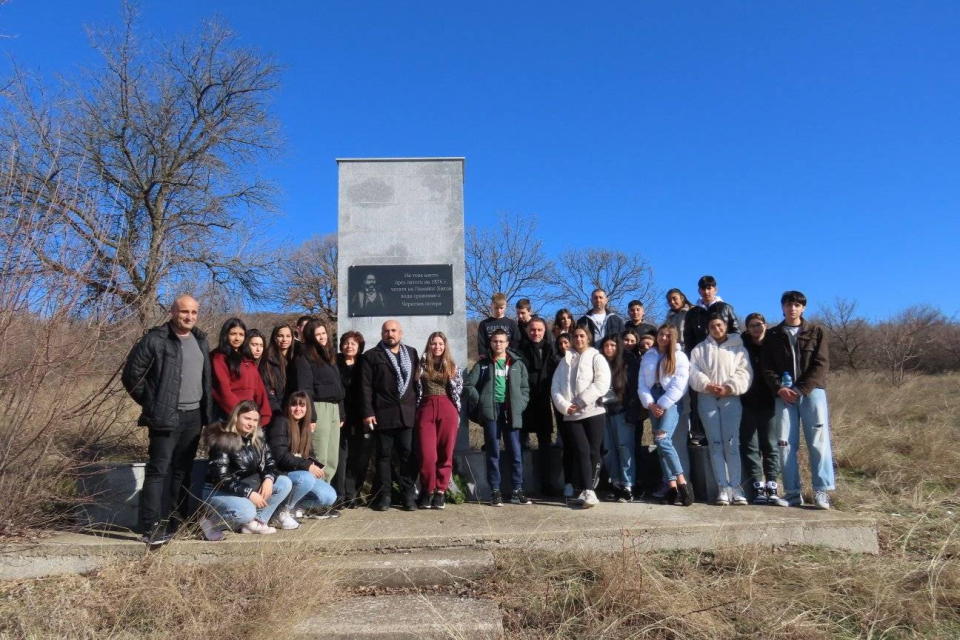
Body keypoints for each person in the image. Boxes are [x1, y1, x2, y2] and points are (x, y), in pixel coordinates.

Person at [122, 294, 213, 546]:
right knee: (158, 471)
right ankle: (151, 527)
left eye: (194, 312)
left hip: (194, 417)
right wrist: (153, 404)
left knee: (182, 472)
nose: (189, 317)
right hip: (165, 417)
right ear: (173, 312)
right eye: (185, 312)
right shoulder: (156, 340)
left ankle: (177, 521)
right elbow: (131, 376)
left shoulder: (201, 340)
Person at [761, 291, 835, 509]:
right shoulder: (773, 335)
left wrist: (801, 389)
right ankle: (793, 493)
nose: (792, 308)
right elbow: (767, 367)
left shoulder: (816, 331)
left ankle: (822, 491)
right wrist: (780, 389)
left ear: (803, 308)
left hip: (812, 393)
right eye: (788, 304)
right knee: (784, 444)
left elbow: (821, 364)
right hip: (783, 396)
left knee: (818, 442)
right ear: (782, 307)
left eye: (797, 305)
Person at [201, 401, 292, 537]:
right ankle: (210, 521)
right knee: (246, 511)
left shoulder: (258, 438)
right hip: (218, 491)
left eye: (255, 420)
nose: (251, 423)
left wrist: (268, 478)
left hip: (243, 486)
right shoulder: (223, 439)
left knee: (284, 483)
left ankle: (256, 523)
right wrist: (249, 492)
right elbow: (220, 478)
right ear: (236, 417)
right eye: (247, 418)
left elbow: (270, 463)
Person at [688, 314, 753, 506]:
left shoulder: (738, 348)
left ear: (725, 326)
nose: (716, 329)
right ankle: (722, 487)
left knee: (731, 443)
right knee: (715, 443)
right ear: (708, 329)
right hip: (707, 398)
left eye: (719, 325)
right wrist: (707, 385)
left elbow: (744, 372)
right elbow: (693, 371)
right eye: (712, 326)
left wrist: (729, 387)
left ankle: (736, 487)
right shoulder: (700, 349)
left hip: (730, 398)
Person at [465, 328, 531, 506]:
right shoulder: (483, 363)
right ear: (491, 343)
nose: (498, 344)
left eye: (501, 341)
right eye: (495, 341)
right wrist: (481, 402)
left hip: (511, 411)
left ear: (507, 343)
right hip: (491, 411)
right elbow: (469, 384)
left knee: (515, 452)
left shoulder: (517, 364)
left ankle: (517, 490)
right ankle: (495, 490)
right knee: (493, 451)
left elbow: (525, 389)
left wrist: (520, 404)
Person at [361, 320, 420, 512]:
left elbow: (416, 384)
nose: (390, 334)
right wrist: (368, 412)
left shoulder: (411, 353)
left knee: (407, 455)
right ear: (381, 334)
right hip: (383, 414)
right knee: (383, 457)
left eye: (394, 330)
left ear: (400, 333)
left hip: (407, 415)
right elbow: (366, 387)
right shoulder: (371, 356)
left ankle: (407, 494)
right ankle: (385, 495)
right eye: (386, 331)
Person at [551, 325, 611, 508]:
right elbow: (556, 387)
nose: (578, 339)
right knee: (581, 450)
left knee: (593, 451)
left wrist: (583, 400)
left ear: (588, 338)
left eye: (582, 336)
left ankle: (589, 489)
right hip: (571, 415)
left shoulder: (596, 357)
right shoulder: (564, 361)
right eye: (575, 336)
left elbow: (602, 382)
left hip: (593, 411)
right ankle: (588, 490)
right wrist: (565, 405)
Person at [638, 324, 694, 506]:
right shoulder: (649, 355)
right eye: (661, 334)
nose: (663, 338)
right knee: (659, 444)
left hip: (670, 401)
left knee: (663, 440)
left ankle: (682, 482)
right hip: (652, 400)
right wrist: (650, 404)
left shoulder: (680, 357)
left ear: (673, 338)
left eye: (667, 336)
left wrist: (661, 404)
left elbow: (680, 385)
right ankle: (671, 487)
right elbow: (642, 383)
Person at [267, 391, 337, 522]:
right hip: (282, 473)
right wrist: (307, 465)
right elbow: (279, 456)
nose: (298, 409)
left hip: (299, 471)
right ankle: (283, 510)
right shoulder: (280, 422)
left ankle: (296, 507)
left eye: (302, 405)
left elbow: (308, 454)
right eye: (294, 405)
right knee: (305, 479)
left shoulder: (304, 427)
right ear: (288, 406)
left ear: (307, 408)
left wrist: (315, 465)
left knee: (329, 496)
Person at [740, 313, 786, 506]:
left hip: (770, 402)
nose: (756, 329)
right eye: (752, 326)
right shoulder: (741, 346)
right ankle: (757, 486)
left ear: (765, 326)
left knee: (770, 445)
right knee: (750, 446)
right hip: (747, 401)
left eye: (759, 325)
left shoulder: (773, 344)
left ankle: (772, 485)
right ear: (747, 328)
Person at [293, 319, 345, 486]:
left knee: (332, 457)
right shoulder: (304, 357)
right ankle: (315, 495)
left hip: (334, 409)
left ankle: (325, 493)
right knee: (319, 454)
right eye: (317, 334)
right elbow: (305, 388)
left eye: (323, 333)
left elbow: (338, 387)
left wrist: (341, 413)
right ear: (310, 336)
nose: (322, 337)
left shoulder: (329, 356)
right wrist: (312, 416)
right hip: (318, 407)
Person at [415, 332, 463, 509]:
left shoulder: (451, 366)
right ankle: (428, 489)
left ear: (445, 346)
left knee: (446, 451)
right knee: (427, 454)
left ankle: (441, 491)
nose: (437, 347)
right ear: (429, 345)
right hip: (426, 407)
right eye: (434, 343)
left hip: (447, 407)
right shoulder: (420, 364)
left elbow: (458, 388)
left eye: (440, 344)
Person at [519, 317, 558, 495]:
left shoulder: (551, 349)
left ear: (544, 331)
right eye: (533, 329)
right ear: (528, 331)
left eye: (539, 330)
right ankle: (519, 485)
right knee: (519, 443)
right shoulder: (518, 349)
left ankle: (547, 483)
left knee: (545, 445)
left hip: (543, 400)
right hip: (523, 402)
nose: (536, 333)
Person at [210, 317, 271, 425]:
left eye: (241, 334)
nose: (237, 338)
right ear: (225, 335)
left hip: (249, 416)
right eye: (233, 334)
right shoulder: (219, 357)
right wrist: (240, 414)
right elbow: (222, 390)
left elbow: (259, 390)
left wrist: (265, 414)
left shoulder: (248, 359)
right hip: (227, 416)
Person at [336, 331, 372, 508]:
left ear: (359, 347)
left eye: (353, 343)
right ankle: (340, 495)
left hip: (359, 417)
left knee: (356, 457)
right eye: (346, 342)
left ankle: (352, 495)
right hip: (339, 415)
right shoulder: (334, 362)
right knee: (341, 456)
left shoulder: (364, 364)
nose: (349, 346)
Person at [599, 335, 634, 502]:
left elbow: (633, 390)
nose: (609, 349)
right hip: (605, 412)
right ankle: (616, 483)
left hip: (622, 412)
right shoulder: (599, 364)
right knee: (608, 450)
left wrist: (631, 413)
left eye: (613, 345)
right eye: (606, 345)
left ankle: (628, 485)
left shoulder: (626, 363)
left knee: (624, 448)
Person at [259, 324, 295, 427]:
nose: (284, 339)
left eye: (288, 336)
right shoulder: (267, 360)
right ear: (274, 337)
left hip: (295, 411)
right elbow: (266, 389)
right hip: (276, 413)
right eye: (280, 336)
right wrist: (277, 412)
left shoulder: (296, 358)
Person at [477, 292, 522, 359]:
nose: (499, 310)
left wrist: (512, 356)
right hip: (489, 358)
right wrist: (483, 354)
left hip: (508, 358)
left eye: (501, 308)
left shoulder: (511, 324)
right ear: (491, 305)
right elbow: (481, 342)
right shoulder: (484, 324)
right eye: (496, 308)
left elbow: (516, 342)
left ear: (505, 306)